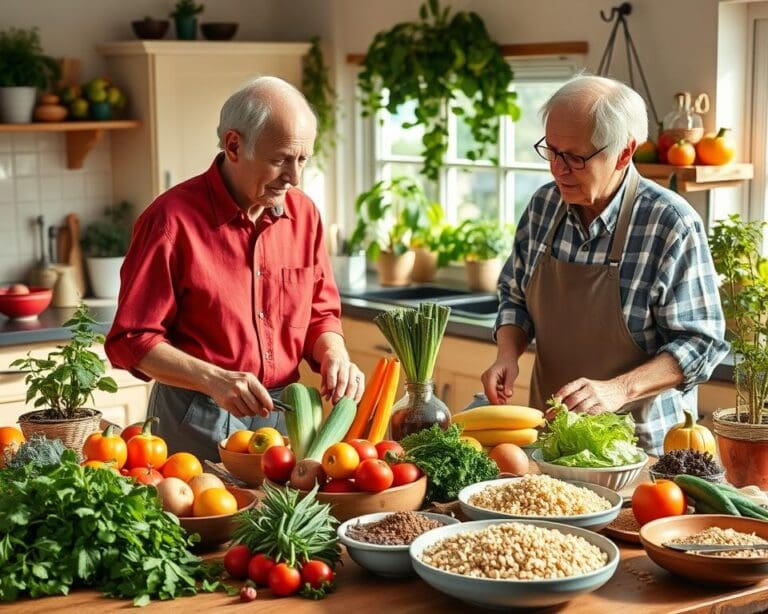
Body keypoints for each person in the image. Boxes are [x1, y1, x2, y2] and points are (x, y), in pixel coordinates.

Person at [106, 76, 364, 461]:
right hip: (196, 415)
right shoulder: (169, 221)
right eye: (280, 160)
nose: (294, 177)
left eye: (303, 159)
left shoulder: (305, 215)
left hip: (285, 420)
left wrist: (334, 354)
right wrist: (215, 380)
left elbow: (320, 313)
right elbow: (132, 341)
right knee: (198, 521)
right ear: (233, 145)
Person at [480, 75, 729, 456]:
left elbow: (702, 342)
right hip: (548, 444)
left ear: (624, 153)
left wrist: (618, 389)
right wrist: (507, 354)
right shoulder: (543, 207)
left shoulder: (670, 224)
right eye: (552, 151)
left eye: (576, 158)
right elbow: (514, 298)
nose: (558, 170)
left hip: (641, 453)